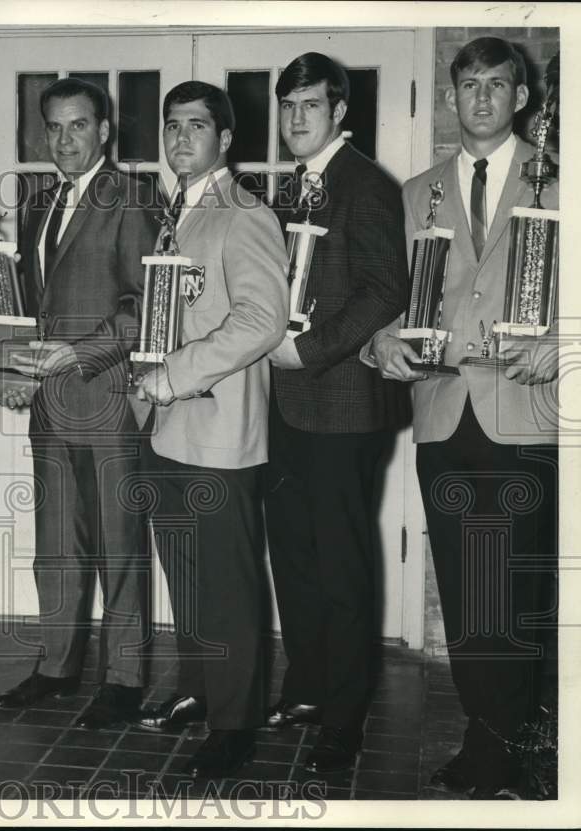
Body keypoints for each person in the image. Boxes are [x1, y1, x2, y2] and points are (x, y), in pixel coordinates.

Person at [366, 36, 558, 798]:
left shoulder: (560, 185)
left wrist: (565, 339)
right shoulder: (417, 193)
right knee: (470, 589)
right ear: (452, 98)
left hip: (527, 413)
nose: (481, 97)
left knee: (522, 589)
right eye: (468, 85)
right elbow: (387, 304)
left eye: (497, 85)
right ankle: (492, 735)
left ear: (522, 98)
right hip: (445, 415)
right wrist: (381, 340)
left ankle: (516, 736)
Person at [0, 77, 158, 729]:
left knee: (120, 547)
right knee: (55, 547)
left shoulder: (133, 199)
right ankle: (56, 665)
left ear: (104, 132)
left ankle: (123, 678)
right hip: (49, 404)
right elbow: (36, 309)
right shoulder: (38, 204)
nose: (64, 139)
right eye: (54, 128)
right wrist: (11, 358)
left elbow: (148, 308)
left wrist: (78, 354)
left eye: (78, 126)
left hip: (109, 401)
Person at [133, 81, 288, 779]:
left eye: (196, 126)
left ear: (226, 140)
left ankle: (236, 722)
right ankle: (202, 685)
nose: (180, 138)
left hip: (218, 428)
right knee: (187, 574)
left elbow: (262, 320)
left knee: (223, 582)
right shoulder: (181, 212)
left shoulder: (244, 214)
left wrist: (175, 373)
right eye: (171, 126)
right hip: (168, 429)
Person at [261, 53, 410, 773]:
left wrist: (307, 351)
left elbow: (385, 291)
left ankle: (343, 720)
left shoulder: (366, 186)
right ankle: (309, 685)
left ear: (339, 113)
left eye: (311, 105)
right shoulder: (290, 188)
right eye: (288, 105)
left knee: (342, 563)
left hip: (343, 404)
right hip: (284, 407)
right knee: (293, 552)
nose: (297, 117)